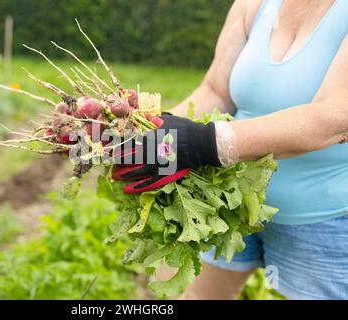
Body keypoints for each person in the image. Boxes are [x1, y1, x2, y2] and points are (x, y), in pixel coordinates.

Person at [112, 0, 348, 299]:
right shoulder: (255, 4)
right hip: (231, 200)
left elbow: (335, 119)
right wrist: (148, 133)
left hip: (324, 218)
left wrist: (205, 142)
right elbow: (216, 91)